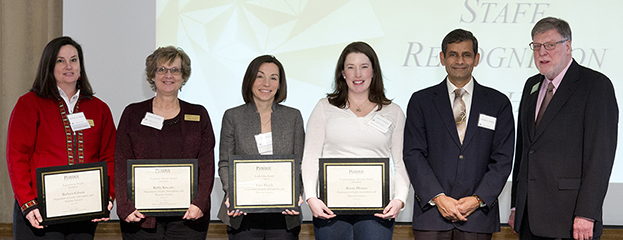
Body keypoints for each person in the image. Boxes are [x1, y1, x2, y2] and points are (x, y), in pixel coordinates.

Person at [509, 17, 618, 240]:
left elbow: (600, 156)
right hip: (529, 218)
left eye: (550, 45)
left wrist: (587, 214)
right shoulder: (532, 85)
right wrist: (515, 207)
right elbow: (524, 150)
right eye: (536, 46)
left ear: (567, 46)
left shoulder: (595, 85)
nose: (542, 53)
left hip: (570, 221)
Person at [403, 29, 514, 239]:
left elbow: (503, 159)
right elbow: (413, 154)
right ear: (442, 58)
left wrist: (477, 199)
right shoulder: (421, 101)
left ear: (477, 58)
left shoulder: (498, 103)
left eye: (466, 54)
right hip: (432, 216)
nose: (459, 60)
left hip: (477, 217)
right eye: (453, 54)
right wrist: (438, 198)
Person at [6, 36, 116, 239]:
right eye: (60, 60)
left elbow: (110, 155)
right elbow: (17, 156)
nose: (69, 66)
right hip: (39, 211)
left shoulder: (99, 109)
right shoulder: (29, 104)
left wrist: (107, 195)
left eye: (74, 60)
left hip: (84, 211)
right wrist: (28, 203)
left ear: (81, 66)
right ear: (49, 65)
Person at [301, 41, 410, 240]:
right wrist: (311, 197)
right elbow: (310, 156)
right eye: (351, 67)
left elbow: (401, 162)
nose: (357, 74)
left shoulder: (393, 112)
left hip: (379, 208)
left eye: (364, 67)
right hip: (330, 206)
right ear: (343, 73)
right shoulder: (324, 107)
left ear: (374, 72)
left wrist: (400, 199)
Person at [114, 46, 215, 239]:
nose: (168, 75)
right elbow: (121, 161)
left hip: (188, 216)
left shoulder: (198, 114)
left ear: (183, 76)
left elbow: (206, 163)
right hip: (141, 217)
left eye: (175, 70)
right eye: (162, 69)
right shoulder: (133, 114)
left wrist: (200, 203)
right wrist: (125, 206)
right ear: (152, 76)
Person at [216, 55, 305, 239]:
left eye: (273, 78)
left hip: (284, 214)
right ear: (250, 80)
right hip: (243, 214)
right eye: (260, 76)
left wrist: (297, 193)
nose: (267, 83)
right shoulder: (233, 116)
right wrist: (232, 194)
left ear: (280, 84)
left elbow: (300, 162)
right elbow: (225, 162)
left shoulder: (293, 117)